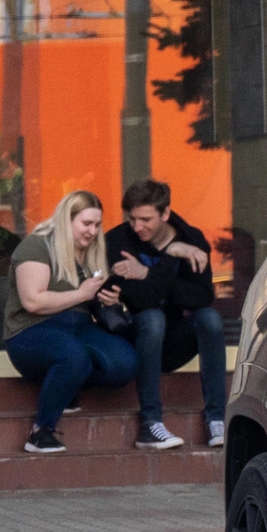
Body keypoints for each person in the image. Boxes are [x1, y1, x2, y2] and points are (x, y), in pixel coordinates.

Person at [3, 190, 135, 454]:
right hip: (31, 329)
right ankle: (41, 432)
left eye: (97, 225)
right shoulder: (36, 245)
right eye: (86, 224)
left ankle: (69, 383)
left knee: (125, 363)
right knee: (73, 357)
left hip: (79, 326)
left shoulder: (92, 252)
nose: (93, 231)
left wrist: (109, 301)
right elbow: (32, 302)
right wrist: (82, 293)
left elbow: (90, 302)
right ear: (66, 219)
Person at [108, 179, 225, 450]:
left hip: (173, 343)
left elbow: (201, 297)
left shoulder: (191, 241)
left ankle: (217, 418)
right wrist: (169, 266)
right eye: (133, 219)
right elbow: (137, 298)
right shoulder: (118, 240)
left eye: (146, 219)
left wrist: (151, 270)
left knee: (209, 319)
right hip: (133, 342)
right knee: (152, 317)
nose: (138, 227)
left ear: (165, 214)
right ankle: (150, 422)